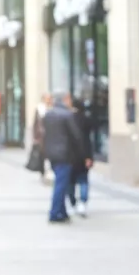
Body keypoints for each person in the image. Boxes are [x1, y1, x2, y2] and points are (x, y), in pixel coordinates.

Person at [42, 91, 90, 224]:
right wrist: (83, 155)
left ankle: (61, 212)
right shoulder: (67, 115)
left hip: (52, 154)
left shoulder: (48, 114)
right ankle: (54, 212)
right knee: (61, 185)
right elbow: (76, 136)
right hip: (65, 154)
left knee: (61, 183)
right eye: (69, 98)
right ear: (64, 99)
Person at [67, 98, 93, 217]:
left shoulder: (68, 118)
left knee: (71, 182)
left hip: (70, 156)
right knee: (83, 180)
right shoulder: (86, 120)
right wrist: (89, 157)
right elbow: (88, 140)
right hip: (83, 155)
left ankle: (73, 204)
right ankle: (82, 202)